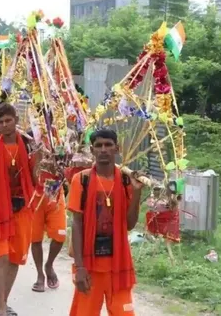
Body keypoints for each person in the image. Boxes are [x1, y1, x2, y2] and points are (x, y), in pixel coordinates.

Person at [67, 128, 143, 316]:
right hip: (90, 265)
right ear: (92, 150)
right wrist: (80, 267)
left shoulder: (126, 181)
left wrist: (137, 194)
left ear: (116, 149)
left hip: (118, 263)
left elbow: (129, 225)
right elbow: (76, 223)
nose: (103, 149)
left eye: (108, 145)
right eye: (98, 146)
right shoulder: (81, 179)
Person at [0, 103, 38, 316]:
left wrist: (40, 161)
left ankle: (3, 301)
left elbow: (36, 179)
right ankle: (1, 308)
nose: (5, 125)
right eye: (0, 122)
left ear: (16, 120)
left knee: (15, 258)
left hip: (23, 208)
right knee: (1, 257)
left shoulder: (30, 146)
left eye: (8, 120)